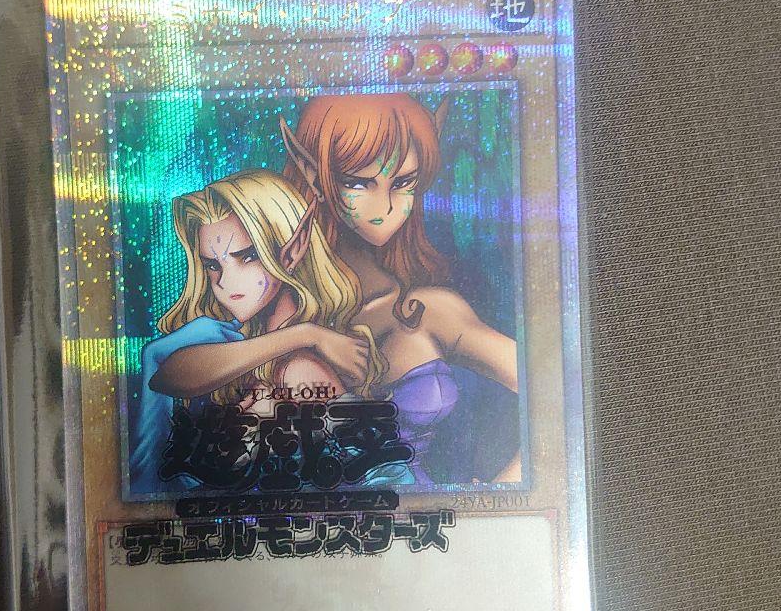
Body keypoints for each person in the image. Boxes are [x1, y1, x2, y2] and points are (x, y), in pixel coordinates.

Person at [281, 93, 521, 485]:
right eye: (359, 183)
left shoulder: (429, 309)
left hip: (419, 518)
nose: (387, 206)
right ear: (314, 175)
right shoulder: (276, 309)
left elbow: (553, 388)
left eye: (403, 182)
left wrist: (504, 493)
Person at [128, 169, 382, 496]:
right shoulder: (231, 338)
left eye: (247, 257)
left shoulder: (300, 370)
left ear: (294, 248)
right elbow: (166, 376)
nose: (225, 282)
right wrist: (306, 333)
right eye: (213, 265)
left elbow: (367, 475)